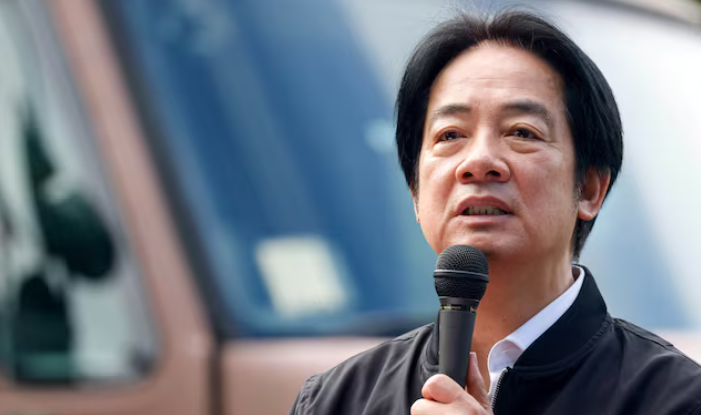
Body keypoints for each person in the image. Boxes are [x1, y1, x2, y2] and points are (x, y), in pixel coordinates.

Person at [288, 8, 701, 415]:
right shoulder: (336, 400)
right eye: (450, 135)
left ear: (590, 189)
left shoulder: (677, 399)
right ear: (415, 192)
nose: (479, 161)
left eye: (522, 132)